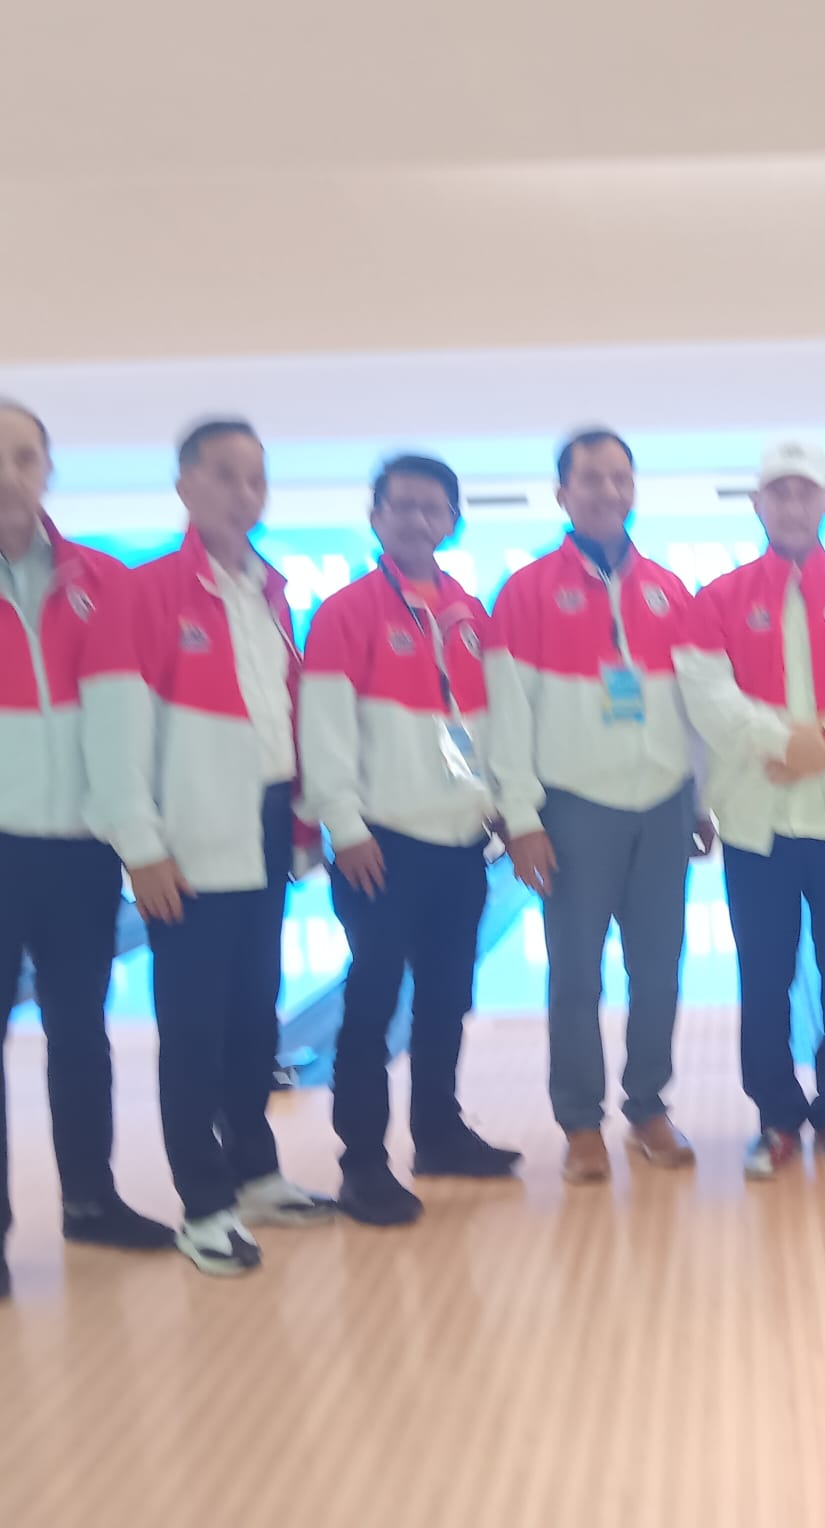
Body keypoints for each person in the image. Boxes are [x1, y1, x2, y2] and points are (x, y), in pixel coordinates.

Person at [674, 440, 825, 1179]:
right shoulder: (718, 600)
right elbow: (708, 697)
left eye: (803, 491)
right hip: (760, 823)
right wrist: (785, 743)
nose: (790, 504)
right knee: (765, 980)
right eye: (777, 492)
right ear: (758, 505)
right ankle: (776, 1118)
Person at [126, 419, 335, 1275]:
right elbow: (125, 736)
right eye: (224, 475)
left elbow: (282, 717)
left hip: (264, 820)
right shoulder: (149, 593)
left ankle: (254, 1173)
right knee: (193, 1027)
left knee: (255, 1011)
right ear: (185, 485)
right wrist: (143, 847)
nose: (243, 493)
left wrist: (301, 823)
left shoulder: (270, 591)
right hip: (189, 836)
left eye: (255, 478)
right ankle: (204, 1204)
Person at [300, 455, 520, 1227]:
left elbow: (481, 725)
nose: (417, 519)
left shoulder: (468, 614)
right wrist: (345, 826)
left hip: (459, 843)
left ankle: (439, 1132)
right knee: (372, 1004)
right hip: (381, 845)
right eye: (403, 505)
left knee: (446, 998)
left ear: (453, 521)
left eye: (432, 507)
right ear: (376, 516)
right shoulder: (346, 611)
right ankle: (362, 1161)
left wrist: (497, 807)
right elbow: (323, 732)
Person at [486, 429, 708, 1186]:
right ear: (563, 494)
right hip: (576, 809)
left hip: (663, 806)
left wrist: (700, 800)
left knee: (659, 970)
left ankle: (648, 1108)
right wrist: (521, 818)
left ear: (634, 489)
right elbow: (507, 716)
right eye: (591, 478)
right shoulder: (525, 592)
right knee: (576, 976)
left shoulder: (669, 589)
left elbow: (692, 709)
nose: (608, 490)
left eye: (620, 477)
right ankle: (580, 1122)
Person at [0, 402, 174, 1301]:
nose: (8, 474)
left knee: (80, 1032)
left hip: (79, 851)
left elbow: (121, 728)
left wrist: (138, 841)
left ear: (48, 470)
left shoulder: (103, 580)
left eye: (23, 456)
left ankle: (90, 1200)